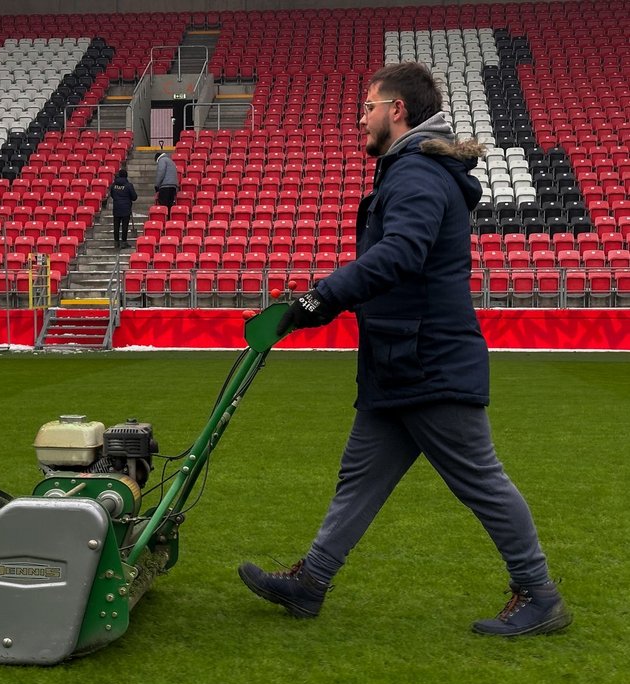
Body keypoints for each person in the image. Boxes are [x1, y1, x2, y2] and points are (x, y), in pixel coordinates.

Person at [238, 62, 572, 637]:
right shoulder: (409, 171)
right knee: (359, 479)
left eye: (368, 106)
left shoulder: (415, 174)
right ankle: (310, 582)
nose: (360, 117)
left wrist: (319, 300)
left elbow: (400, 255)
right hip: (399, 361)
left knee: (481, 482)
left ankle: (540, 593)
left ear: (396, 110)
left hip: (429, 359)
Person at [109, 168, 137, 249]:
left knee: (116, 225)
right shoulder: (128, 185)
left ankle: (116, 242)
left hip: (117, 207)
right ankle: (124, 242)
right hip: (126, 208)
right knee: (125, 226)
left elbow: (112, 195)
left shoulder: (114, 185)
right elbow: (134, 197)